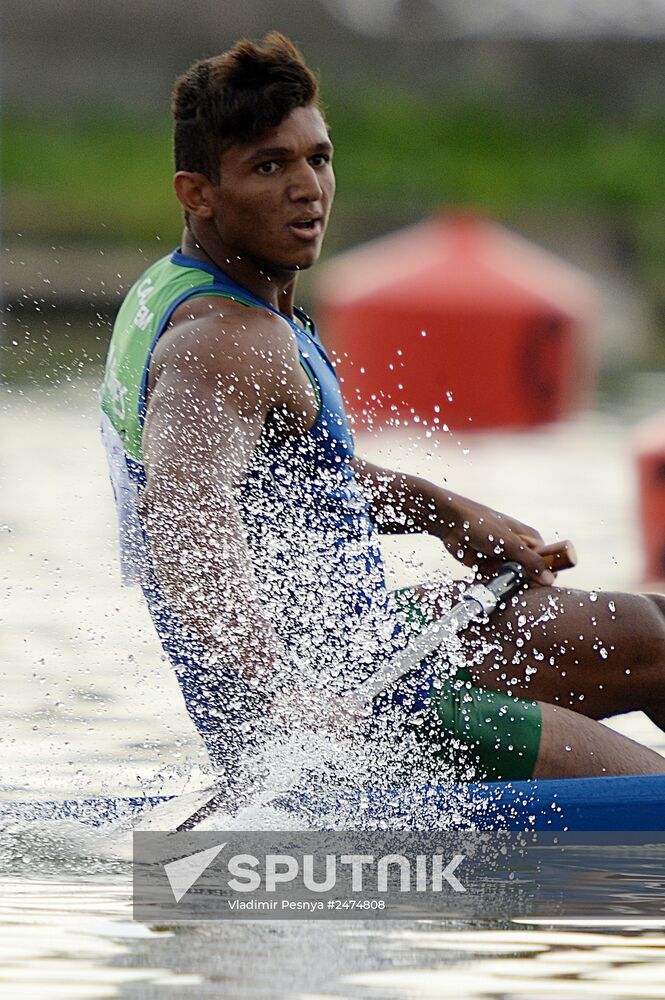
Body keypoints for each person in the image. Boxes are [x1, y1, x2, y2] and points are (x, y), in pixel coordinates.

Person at [100, 32, 665, 791]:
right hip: (350, 720)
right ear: (196, 193)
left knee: (653, 633)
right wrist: (285, 709)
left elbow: (290, 477)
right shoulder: (224, 341)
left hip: (367, 641)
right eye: (269, 166)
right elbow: (184, 524)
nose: (307, 188)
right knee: (649, 793)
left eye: (318, 159)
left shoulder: (180, 291)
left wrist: (449, 515)